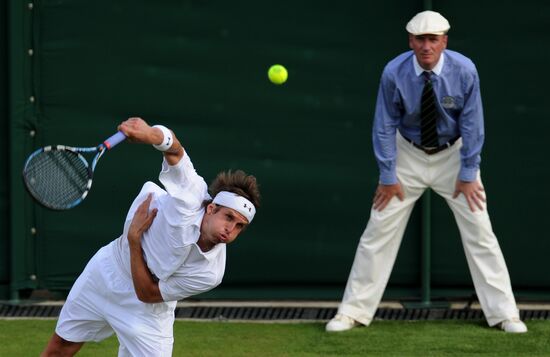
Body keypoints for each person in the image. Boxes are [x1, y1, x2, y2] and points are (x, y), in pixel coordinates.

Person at [326, 11, 527, 333]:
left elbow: (473, 124)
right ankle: (351, 312)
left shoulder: (465, 70)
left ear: (444, 41)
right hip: (407, 156)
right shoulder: (394, 71)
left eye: (433, 39)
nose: (426, 46)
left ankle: (505, 314)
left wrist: (468, 171)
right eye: (420, 39)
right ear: (411, 41)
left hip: (455, 157)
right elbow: (384, 125)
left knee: (480, 231)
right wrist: (388, 175)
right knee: (377, 232)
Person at [41, 117, 261, 356]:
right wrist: (149, 133)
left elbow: (147, 294)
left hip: (147, 308)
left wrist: (135, 240)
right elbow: (175, 150)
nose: (231, 229)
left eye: (240, 226)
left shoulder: (211, 273)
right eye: (228, 217)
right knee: (59, 349)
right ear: (211, 208)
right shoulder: (191, 195)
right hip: (106, 271)